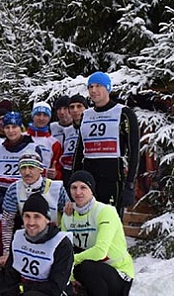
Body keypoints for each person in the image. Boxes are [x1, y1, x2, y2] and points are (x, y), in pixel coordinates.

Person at [61, 170, 134, 296]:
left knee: (84, 266)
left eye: (83, 187)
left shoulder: (105, 211)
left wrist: (71, 262)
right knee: (70, 265)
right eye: (74, 187)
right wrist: (72, 279)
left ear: (92, 190)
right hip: (96, 274)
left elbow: (100, 252)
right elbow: (64, 250)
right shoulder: (68, 215)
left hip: (120, 278)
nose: (78, 192)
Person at [73, 71, 140, 216]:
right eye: (90, 87)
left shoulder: (123, 113)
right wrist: (74, 179)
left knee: (110, 223)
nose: (93, 90)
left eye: (98, 86)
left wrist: (130, 184)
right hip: (89, 178)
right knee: (89, 221)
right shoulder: (86, 114)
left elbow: (134, 150)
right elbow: (79, 151)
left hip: (112, 178)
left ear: (108, 88)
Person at [0, 152, 68, 267]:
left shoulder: (56, 188)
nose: (27, 172)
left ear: (40, 169)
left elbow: (69, 215)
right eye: (23, 168)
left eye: (31, 167)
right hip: (29, 236)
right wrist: (6, 252)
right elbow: (7, 223)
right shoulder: (14, 189)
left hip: (54, 237)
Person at [0, 111, 37, 212]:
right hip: (0, 202)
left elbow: (37, 177)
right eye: (7, 127)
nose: (11, 130)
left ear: (20, 128)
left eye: (14, 127)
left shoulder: (32, 148)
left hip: (24, 203)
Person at [26, 101, 64, 180]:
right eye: (38, 114)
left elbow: (59, 170)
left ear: (49, 118)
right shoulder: (21, 137)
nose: (41, 118)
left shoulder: (54, 143)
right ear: (33, 116)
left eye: (45, 115)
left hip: (43, 185)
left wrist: (56, 174)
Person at [60, 95, 88, 188]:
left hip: (85, 170)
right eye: (72, 107)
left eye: (79, 106)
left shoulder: (90, 127)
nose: (75, 110)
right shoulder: (67, 131)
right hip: (68, 171)